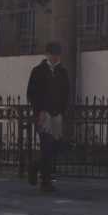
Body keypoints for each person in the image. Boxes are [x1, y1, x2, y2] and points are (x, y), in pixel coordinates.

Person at [27, 41, 71, 192]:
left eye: (57, 55)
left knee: (56, 147)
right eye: (52, 55)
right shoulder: (37, 71)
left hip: (57, 114)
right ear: (47, 55)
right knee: (46, 146)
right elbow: (31, 94)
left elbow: (66, 94)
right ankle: (45, 182)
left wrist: (62, 112)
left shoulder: (62, 72)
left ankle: (34, 166)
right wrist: (39, 112)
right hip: (43, 114)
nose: (55, 58)